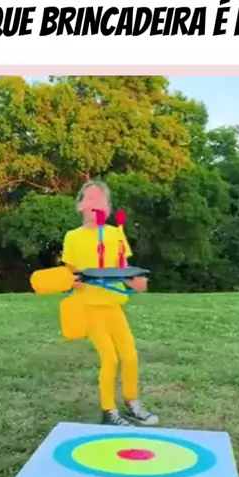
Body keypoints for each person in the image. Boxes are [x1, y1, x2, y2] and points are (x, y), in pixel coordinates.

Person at [62, 179, 158, 427]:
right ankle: (109, 411)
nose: (96, 203)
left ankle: (132, 404)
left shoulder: (116, 234)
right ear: (80, 205)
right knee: (110, 358)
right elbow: (68, 273)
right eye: (90, 198)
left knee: (130, 356)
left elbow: (124, 271)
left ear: (108, 207)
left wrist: (136, 283)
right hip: (89, 308)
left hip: (113, 307)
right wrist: (73, 282)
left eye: (101, 199)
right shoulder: (72, 237)